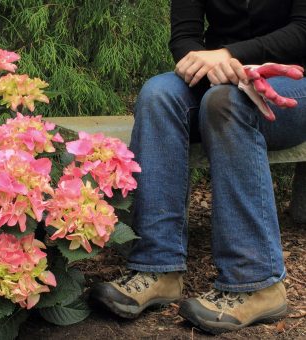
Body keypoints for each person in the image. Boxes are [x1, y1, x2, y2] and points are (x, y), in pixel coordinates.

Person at [90, 0, 306, 334]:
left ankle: (258, 283)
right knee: (158, 94)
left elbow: (302, 31)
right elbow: (184, 38)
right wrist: (212, 64)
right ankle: (158, 268)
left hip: (293, 83)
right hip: (221, 77)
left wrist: (230, 55)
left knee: (227, 101)